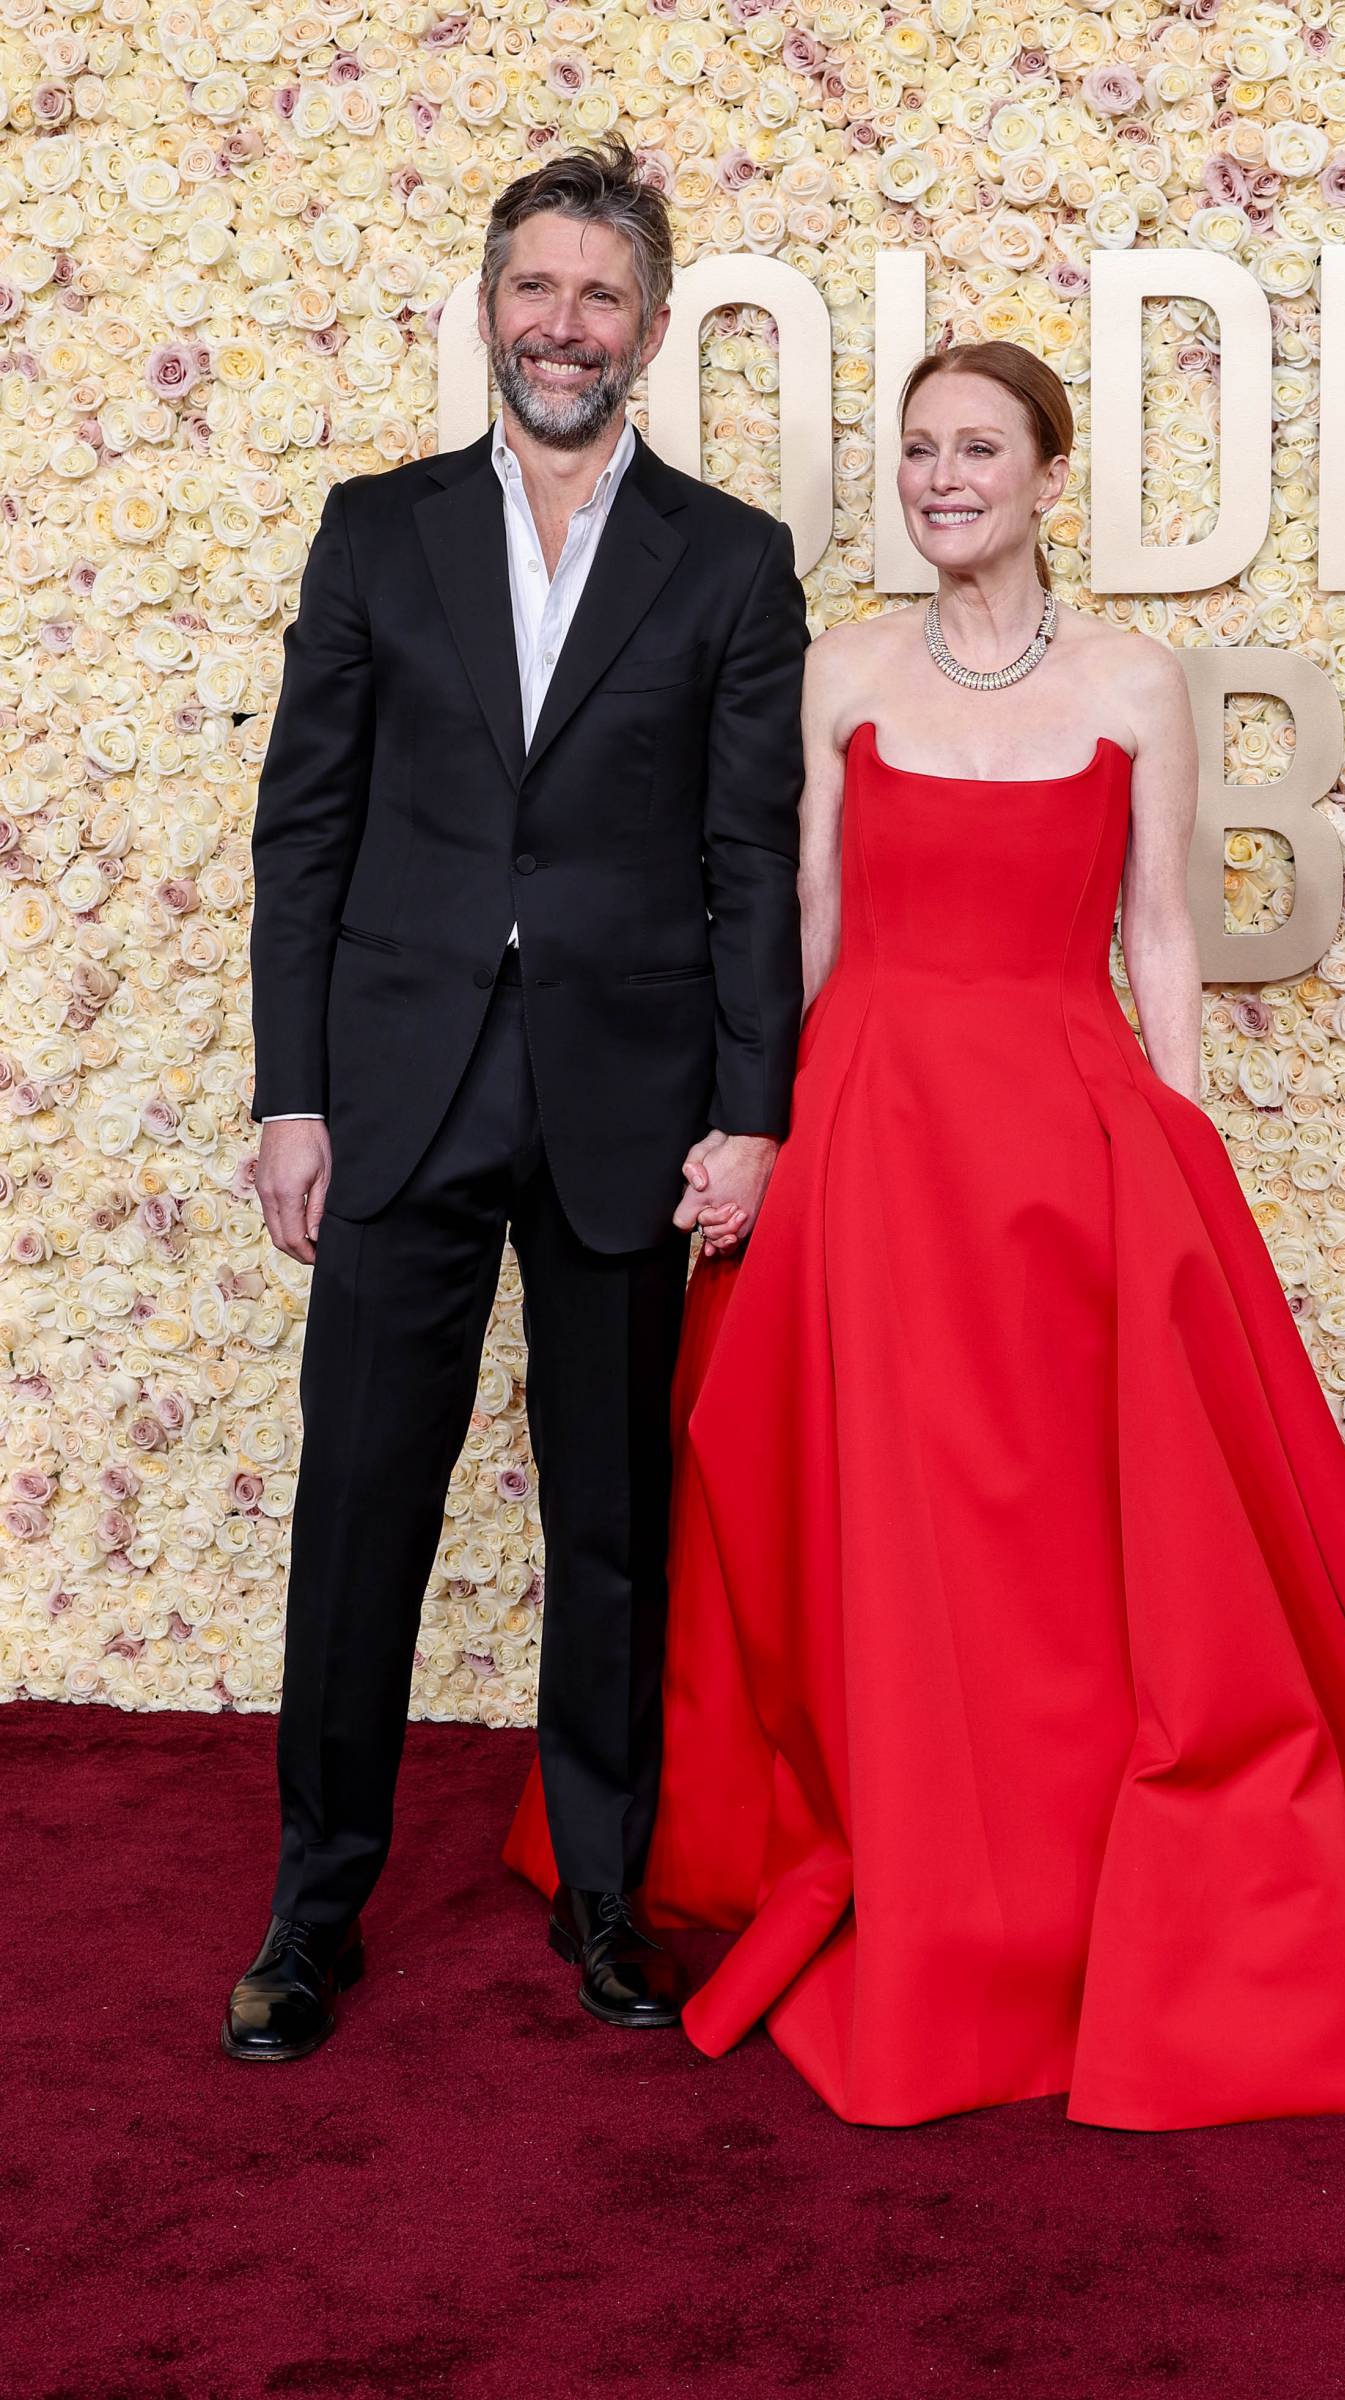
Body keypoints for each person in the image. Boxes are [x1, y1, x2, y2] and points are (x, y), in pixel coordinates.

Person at [506, 339, 1345, 2130]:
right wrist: (753, 1130)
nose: (944, 478)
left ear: (1045, 474)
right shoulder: (842, 668)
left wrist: (1177, 1128)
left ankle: (1060, 1840)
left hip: (1064, 1134)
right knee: (867, 1505)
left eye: (979, 449)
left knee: (1081, 1527)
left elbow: (1159, 925)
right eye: (920, 452)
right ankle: (902, 1817)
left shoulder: (1136, 680)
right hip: (868, 1133)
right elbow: (802, 927)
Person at [225, 138, 807, 2061]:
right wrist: (291, 1093)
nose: (566, 325)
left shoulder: (729, 560)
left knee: (614, 1524)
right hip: (394, 1095)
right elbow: (302, 829)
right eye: (536, 289)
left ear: (650, 328)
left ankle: (608, 1902)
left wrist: (754, 1114)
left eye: (603, 296)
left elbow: (750, 855)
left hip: (629, 1110)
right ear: (493, 307)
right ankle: (314, 1918)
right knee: (360, 1512)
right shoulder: (371, 531)